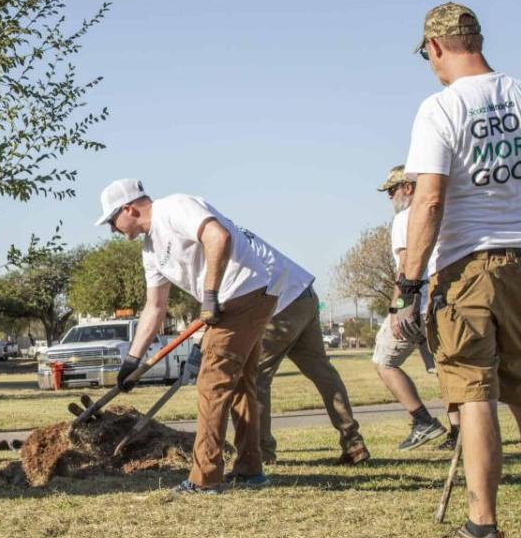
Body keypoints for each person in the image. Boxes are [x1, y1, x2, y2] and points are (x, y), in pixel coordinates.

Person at [398, 2, 521, 538]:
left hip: (468, 267)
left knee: (474, 393)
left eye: (427, 55)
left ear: (436, 47)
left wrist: (408, 281)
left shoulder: (439, 108)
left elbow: (428, 199)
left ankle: (482, 528)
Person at [100, 178, 278, 493]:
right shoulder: (150, 251)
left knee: (211, 384)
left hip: (242, 293)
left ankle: (205, 478)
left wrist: (209, 295)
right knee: (240, 385)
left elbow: (217, 236)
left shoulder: (174, 207)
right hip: (235, 299)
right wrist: (132, 361)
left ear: (128, 208)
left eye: (113, 221)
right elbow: (154, 307)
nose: (113, 229)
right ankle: (250, 469)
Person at [239, 228, 368, 465]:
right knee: (322, 371)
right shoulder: (233, 232)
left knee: (255, 377)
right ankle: (353, 442)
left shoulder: (218, 241)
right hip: (304, 295)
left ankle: (262, 452)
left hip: (281, 304)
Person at [375, 165, 459, 451]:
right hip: (443, 301)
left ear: (408, 188)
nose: (389, 197)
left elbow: (404, 267)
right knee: (445, 369)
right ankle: (457, 432)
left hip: (416, 303)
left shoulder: (405, 218)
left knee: (384, 362)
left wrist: (398, 308)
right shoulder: (447, 211)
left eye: (391, 190)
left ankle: (422, 420)